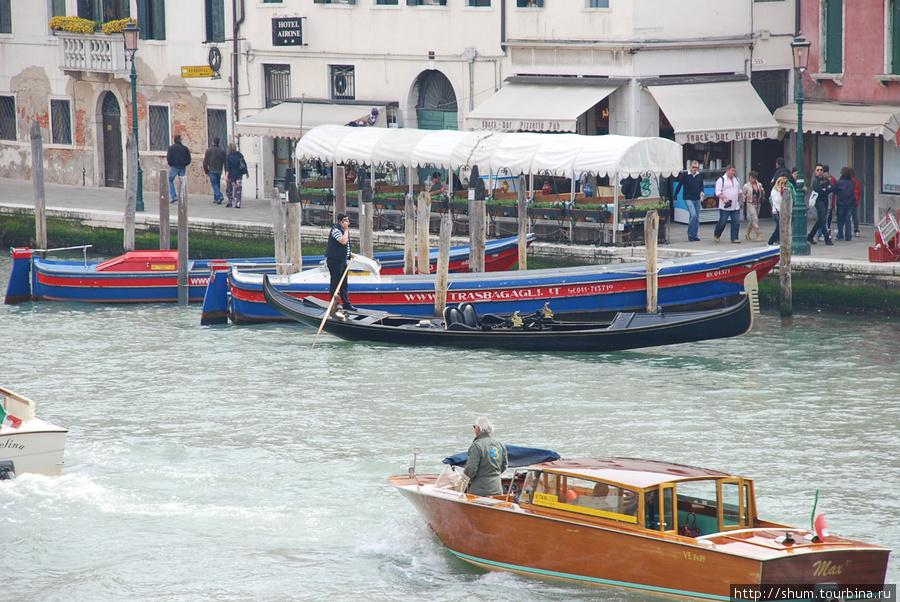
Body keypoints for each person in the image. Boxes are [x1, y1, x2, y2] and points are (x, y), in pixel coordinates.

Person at [463, 416, 508, 497]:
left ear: (479, 429)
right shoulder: (500, 444)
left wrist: (465, 479)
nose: (474, 429)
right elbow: (504, 465)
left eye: (475, 427)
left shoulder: (477, 445)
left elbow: (471, 468)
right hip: (497, 488)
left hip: (480, 490)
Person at [326, 212, 356, 311]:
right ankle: (334, 303)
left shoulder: (344, 230)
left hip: (342, 260)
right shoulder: (336, 230)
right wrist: (346, 230)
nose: (347, 223)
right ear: (340, 221)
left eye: (348, 220)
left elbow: (346, 244)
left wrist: (349, 253)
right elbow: (343, 241)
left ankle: (346, 303)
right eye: (345, 221)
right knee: (336, 282)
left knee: (344, 283)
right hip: (335, 260)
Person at [674, 160, 704, 242]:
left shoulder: (699, 175)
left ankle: (695, 235)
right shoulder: (685, 175)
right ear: (690, 167)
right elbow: (680, 185)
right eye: (693, 167)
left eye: (696, 168)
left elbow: (701, 185)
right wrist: (675, 195)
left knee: (696, 217)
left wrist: (702, 191)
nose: (695, 169)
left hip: (697, 198)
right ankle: (690, 233)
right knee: (693, 214)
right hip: (688, 198)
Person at [713, 164, 743, 244]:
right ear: (727, 170)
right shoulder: (721, 180)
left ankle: (734, 237)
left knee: (736, 222)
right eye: (732, 171)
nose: (733, 172)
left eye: (734, 171)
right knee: (723, 222)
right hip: (725, 206)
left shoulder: (737, 179)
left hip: (735, 205)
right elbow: (718, 192)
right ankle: (717, 234)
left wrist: (742, 201)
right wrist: (724, 198)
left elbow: (739, 191)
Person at [807, 163, 835, 246]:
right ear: (815, 171)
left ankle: (810, 235)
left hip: (825, 201)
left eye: (821, 170)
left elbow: (833, 188)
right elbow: (819, 190)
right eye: (818, 170)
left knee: (821, 219)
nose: (819, 171)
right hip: (818, 201)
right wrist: (827, 189)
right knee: (823, 220)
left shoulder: (825, 179)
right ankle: (827, 238)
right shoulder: (815, 180)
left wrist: (826, 189)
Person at [166, 135, 191, 204]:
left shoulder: (171, 148)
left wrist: (171, 164)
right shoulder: (185, 148)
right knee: (182, 182)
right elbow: (188, 159)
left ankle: (174, 196)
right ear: (180, 140)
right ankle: (182, 196)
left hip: (174, 167)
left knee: (170, 180)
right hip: (182, 167)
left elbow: (169, 158)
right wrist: (185, 164)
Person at [202, 137, 226, 205]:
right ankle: (216, 198)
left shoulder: (209, 150)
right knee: (217, 183)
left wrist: (206, 170)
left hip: (212, 169)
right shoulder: (222, 151)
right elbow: (225, 162)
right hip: (219, 169)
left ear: (213, 142)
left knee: (214, 184)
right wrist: (226, 170)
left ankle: (220, 196)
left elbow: (205, 161)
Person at [834, 167, 856, 241]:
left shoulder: (839, 182)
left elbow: (835, 191)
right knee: (848, 219)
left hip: (841, 203)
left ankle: (840, 234)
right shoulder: (852, 182)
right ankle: (848, 236)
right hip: (850, 203)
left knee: (840, 219)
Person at [742, 170, 764, 242]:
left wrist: (762, 191)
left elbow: (762, 194)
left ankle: (747, 233)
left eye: (754, 178)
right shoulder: (746, 186)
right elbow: (743, 195)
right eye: (751, 178)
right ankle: (758, 235)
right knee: (755, 219)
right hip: (750, 203)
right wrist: (742, 202)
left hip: (758, 203)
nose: (752, 180)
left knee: (753, 220)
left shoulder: (759, 184)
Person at [767, 175, 789, 245]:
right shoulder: (774, 191)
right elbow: (777, 201)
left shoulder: (786, 191)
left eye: (785, 183)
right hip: (776, 211)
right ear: (778, 183)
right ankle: (771, 240)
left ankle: (776, 239)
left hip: (783, 211)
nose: (783, 185)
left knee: (781, 227)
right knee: (779, 226)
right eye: (781, 183)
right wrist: (780, 192)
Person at [224, 143, 247, 208]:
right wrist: (246, 172)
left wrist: (226, 176)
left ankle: (230, 200)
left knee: (228, 189)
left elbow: (228, 167)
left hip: (231, 175)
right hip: (239, 174)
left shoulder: (228, 156)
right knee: (238, 189)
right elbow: (244, 164)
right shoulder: (240, 155)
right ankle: (238, 203)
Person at [850, 168, 861, 237]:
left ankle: (856, 230)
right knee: (854, 216)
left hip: (849, 202)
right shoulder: (856, 181)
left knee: (845, 216)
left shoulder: (850, 182)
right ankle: (856, 230)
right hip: (855, 201)